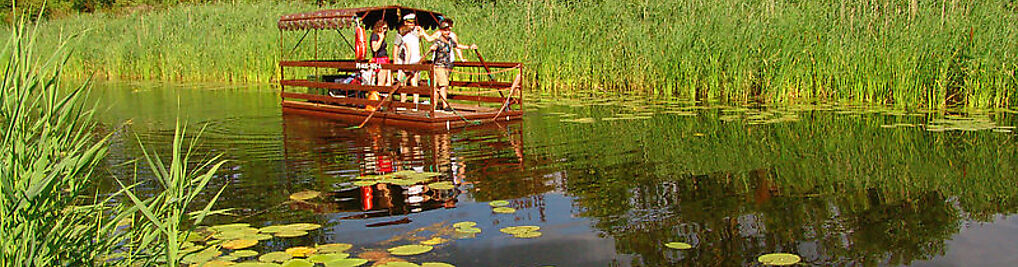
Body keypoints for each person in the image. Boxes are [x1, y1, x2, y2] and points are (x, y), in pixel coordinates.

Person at [427, 21, 477, 112]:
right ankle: (444, 105)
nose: (447, 32)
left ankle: (434, 106)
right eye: (445, 30)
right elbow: (434, 46)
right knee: (443, 85)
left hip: (446, 66)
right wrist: (432, 48)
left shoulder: (450, 40)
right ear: (441, 31)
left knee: (439, 87)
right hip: (439, 66)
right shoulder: (438, 41)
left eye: (448, 30)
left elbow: (457, 46)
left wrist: (469, 47)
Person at [395, 13, 424, 110]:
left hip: (411, 62)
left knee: (404, 82)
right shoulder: (412, 37)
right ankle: (414, 104)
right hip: (416, 61)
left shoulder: (407, 37)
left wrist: (406, 64)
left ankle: (404, 103)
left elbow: (409, 51)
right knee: (413, 82)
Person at [369, 21, 391, 87]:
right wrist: (381, 39)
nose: (385, 30)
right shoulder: (375, 35)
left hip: (385, 59)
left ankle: (386, 96)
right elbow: (375, 48)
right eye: (384, 28)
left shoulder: (382, 35)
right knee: (381, 83)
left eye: (386, 28)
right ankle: (379, 96)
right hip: (380, 60)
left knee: (389, 82)